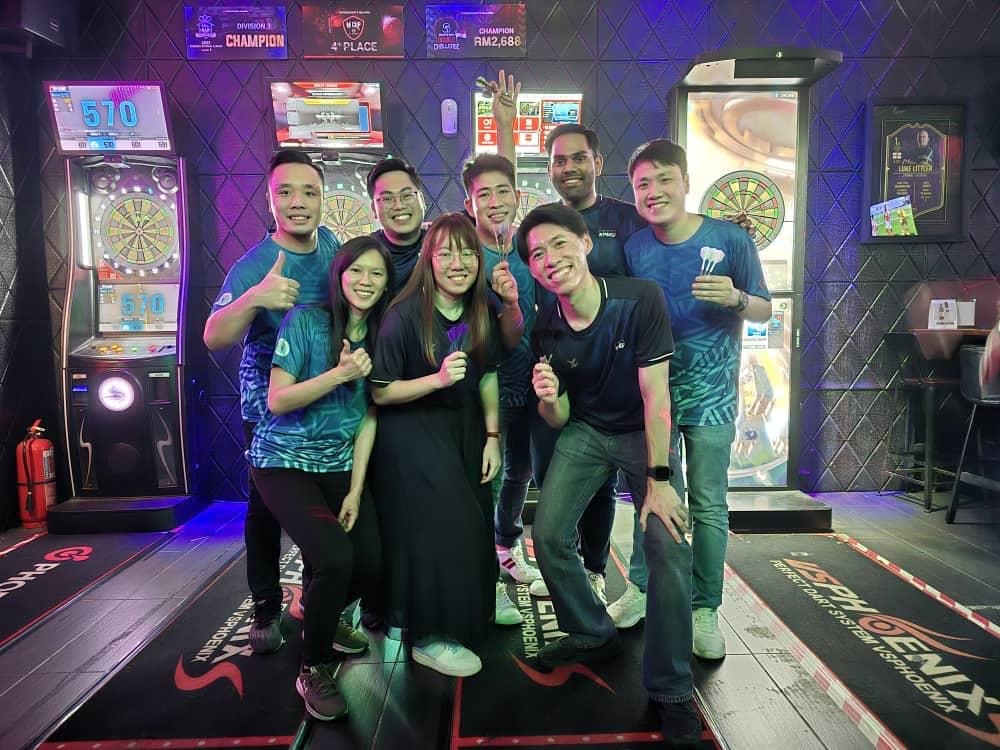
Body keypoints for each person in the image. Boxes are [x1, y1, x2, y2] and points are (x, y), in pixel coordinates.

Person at [517, 203, 702, 747]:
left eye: (559, 244)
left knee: (667, 545)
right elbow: (560, 417)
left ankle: (671, 689)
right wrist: (548, 397)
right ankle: (591, 630)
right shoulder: (546, 326)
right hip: (588, 431)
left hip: (642, 433)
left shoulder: (638, 298)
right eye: (537, 254)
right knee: (548, 533)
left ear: (585, 243)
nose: (550, 259)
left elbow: (656, 394)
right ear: (531, 269)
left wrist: (660, 480)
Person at [203, 149, 368, 657]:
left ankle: (318, 604)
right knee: (265, 510)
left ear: (323, 198)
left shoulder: (332, 245)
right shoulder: (254, 264)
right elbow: (213, 336)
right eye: (286, 192)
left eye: (309, 192)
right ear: (269, 200)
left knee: (325, 517)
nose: (298, 202)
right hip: (270, 410)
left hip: (327, 404)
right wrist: (255, 297)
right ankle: (266, 605)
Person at [621, 140, 772, 660]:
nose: (654, 191)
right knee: (654, 494)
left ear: (685, 181)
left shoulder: (730, 239)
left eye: (664, 179)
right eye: (642, 184)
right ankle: (642, 588)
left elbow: (765, 309)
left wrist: (735, 297)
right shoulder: (635, 247)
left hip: (713, 397)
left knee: (708, 505)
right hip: (654, 396)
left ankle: (705, 607)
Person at [247, 236, 390, 720]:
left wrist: (356, 489)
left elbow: (369, 418)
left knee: (370, 563)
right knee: (333, 557)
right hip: (282, 460)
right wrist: (340, 373)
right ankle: (314, 665)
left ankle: (319, 614)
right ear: (339, 275)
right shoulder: (306, 321)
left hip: (337, 465)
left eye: (376, 273)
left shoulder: (384, 335)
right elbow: (277, 400)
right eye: (357, 271)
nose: (365, 281)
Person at [369, 213, 503, 677]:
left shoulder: (480, 309)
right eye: (445, 253)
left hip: (464, 429)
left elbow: (488, 376)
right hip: (411, 433)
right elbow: (381, 391)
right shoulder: (403, 315)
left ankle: (467, 615)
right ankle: (427, 636)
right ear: (428, 260)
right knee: (443, 525)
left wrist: (493, 436)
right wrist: (437, 380)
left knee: (475, 520)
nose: (456, 263)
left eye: (466, 253)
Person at [367, 157, 427, 295]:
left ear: (422, 201)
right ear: (374, 209)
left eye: (407, 195)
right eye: (387, 199)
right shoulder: (364, 254)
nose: (399, 206)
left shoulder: (441, 243)